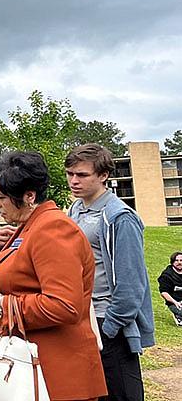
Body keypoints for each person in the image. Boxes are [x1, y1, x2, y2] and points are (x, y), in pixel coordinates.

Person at [0, 151, 107, 401]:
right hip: (31, 370)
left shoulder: (53, 228)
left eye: (1, 197)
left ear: (29, 196)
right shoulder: (29, 226)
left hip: (56, 376)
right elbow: (23, 276)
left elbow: (63, 305)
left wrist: (0, 303)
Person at [65, 143, 154, 401]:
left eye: (82, 175)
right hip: (83, 318)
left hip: (109, 322)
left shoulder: (120, 217)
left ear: (103, 175)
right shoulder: (75, 211)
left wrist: (112, 325)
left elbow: (132, 281)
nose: (74, 181)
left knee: (122, 394)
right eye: (70, 174)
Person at [158, 252, 182, 326]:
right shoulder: (167, 276)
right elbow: (164, 292)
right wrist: (176, 303)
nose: (179, 262)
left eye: (181, 260)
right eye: (176, 260)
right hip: (175, 302)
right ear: (172, 262)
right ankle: (178, 316)